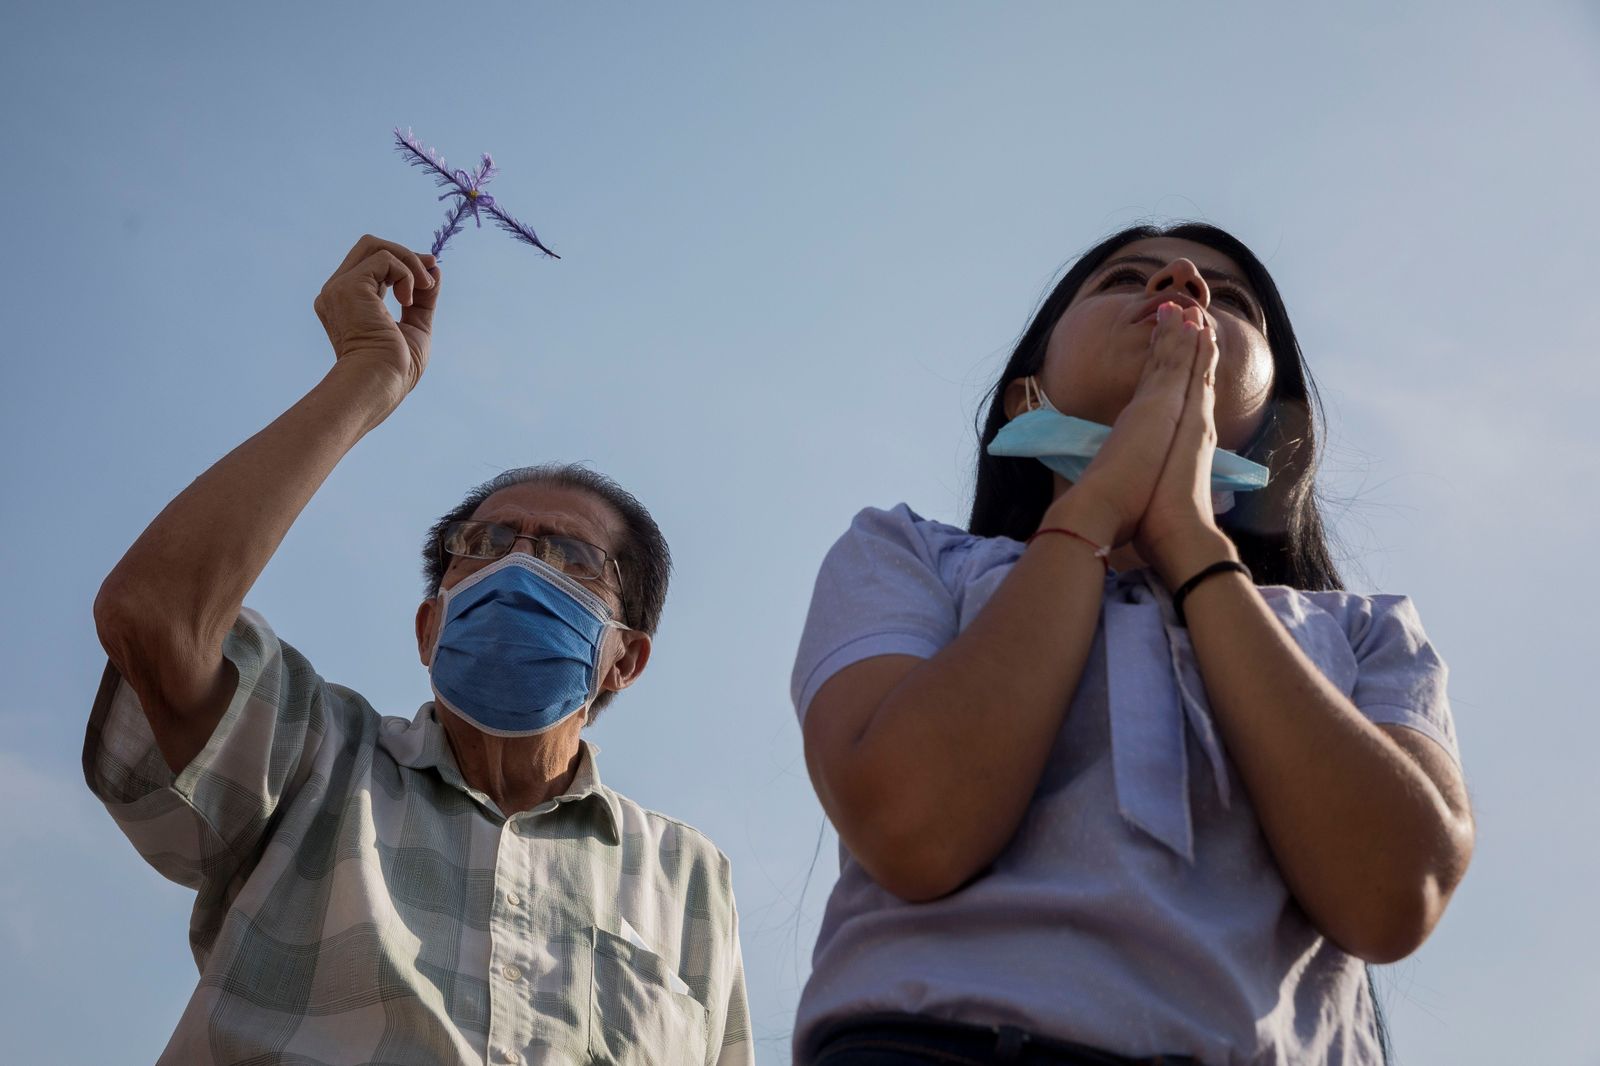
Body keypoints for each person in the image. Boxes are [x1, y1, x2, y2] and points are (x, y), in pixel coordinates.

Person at [789, 223, 1473, 1065]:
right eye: (1124, 279)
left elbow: (1391, 895)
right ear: (1025, 397)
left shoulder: (1365, 631)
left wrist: (1188, 535)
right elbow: (913, 826)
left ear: (1270, 434)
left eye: (1228, 300)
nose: (1182, 284)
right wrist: (1097, 508)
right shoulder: (907, 556)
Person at [86, 235, 752, 1066]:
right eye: (488, 541)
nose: (519, 564)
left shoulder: (685, 877)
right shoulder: (315, 758)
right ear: (429, 627)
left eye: (572, 556)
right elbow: (152, 615)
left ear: (625, 659)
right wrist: (367, 376)